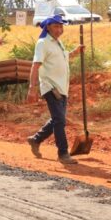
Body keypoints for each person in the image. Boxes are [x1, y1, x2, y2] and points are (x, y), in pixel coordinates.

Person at [26, 14, 85, 165]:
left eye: (61, 27)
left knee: (57, 119)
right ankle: (63, 153)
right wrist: (32, 88)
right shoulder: (43, 43)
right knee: (60, 120)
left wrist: (75, 52)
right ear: (48, 27)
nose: (59, 30)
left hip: (62, 87)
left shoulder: (58, 43)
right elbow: (36, 66)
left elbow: (63, 58)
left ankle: (36, 139)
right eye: (56, 27)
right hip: (50, 86)